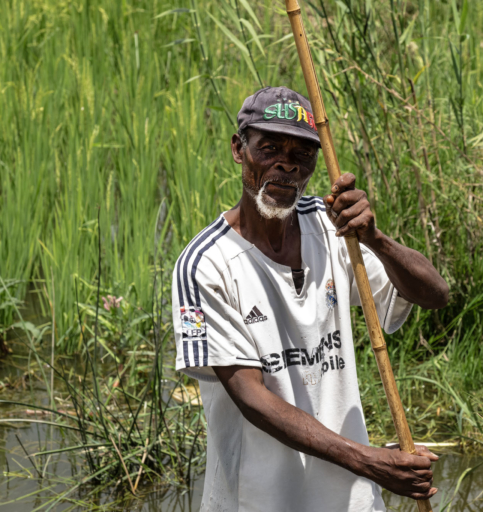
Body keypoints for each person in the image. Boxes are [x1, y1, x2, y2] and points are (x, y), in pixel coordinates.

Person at [172, 86, 449, 511]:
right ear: (239, 149)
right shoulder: (206, 264)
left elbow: (434, 295)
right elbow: (252, 398)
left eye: (302, 154)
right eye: (269, 148)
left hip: (350, 498)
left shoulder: (331, 227)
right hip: (258, 500)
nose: (287, 164)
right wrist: (370, 461)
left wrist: (375, 238)